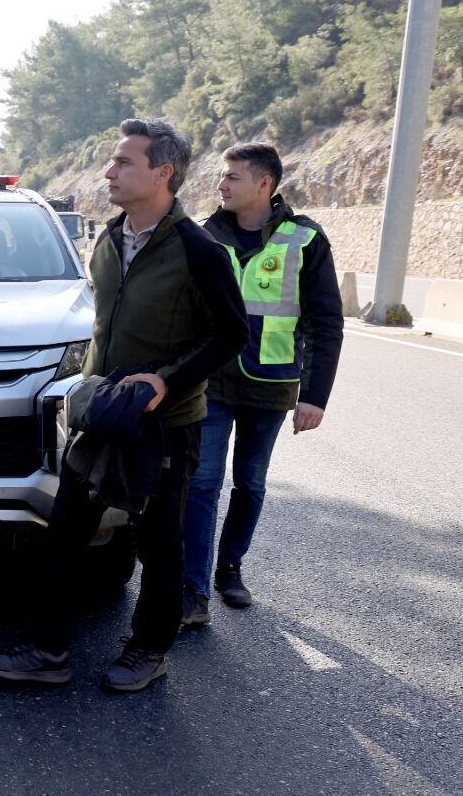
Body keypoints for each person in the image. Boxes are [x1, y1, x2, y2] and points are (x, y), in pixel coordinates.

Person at [0, 118, 248, 692]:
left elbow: (230, 336)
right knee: (65, 534)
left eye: (124, 162)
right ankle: (48, 652)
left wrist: (165, 382)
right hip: (102, 415)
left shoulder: (198, 249)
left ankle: (150, 650)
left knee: (158, 544)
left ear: (163, 173)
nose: (110, 171)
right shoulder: (106, 237)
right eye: (112, 161)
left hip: (167, 426)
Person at [181, 143, 343, 626]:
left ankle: (229, 567)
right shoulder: (203, 235)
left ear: (264, 184)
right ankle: (193, 590)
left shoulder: (305, 239)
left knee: (250, 483)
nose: (221, 184)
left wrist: (315, 396)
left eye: (232, 176)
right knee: (202, 483)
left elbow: (325, 322)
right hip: (209, 383)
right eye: (222, 176)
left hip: (271, 384)